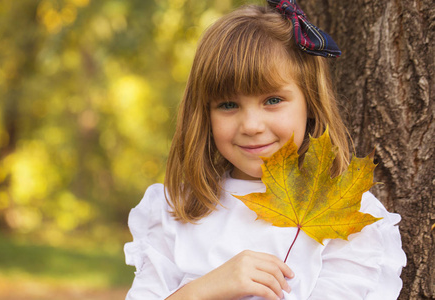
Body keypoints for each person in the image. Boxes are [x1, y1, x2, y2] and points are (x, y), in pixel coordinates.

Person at [124, 1, 406, 299]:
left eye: (272, 100)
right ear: (205, 114)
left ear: (310, 102)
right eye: (228, 105)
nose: (251, 126)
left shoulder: (348, 215)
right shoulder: (175, 211)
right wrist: (204, 289)